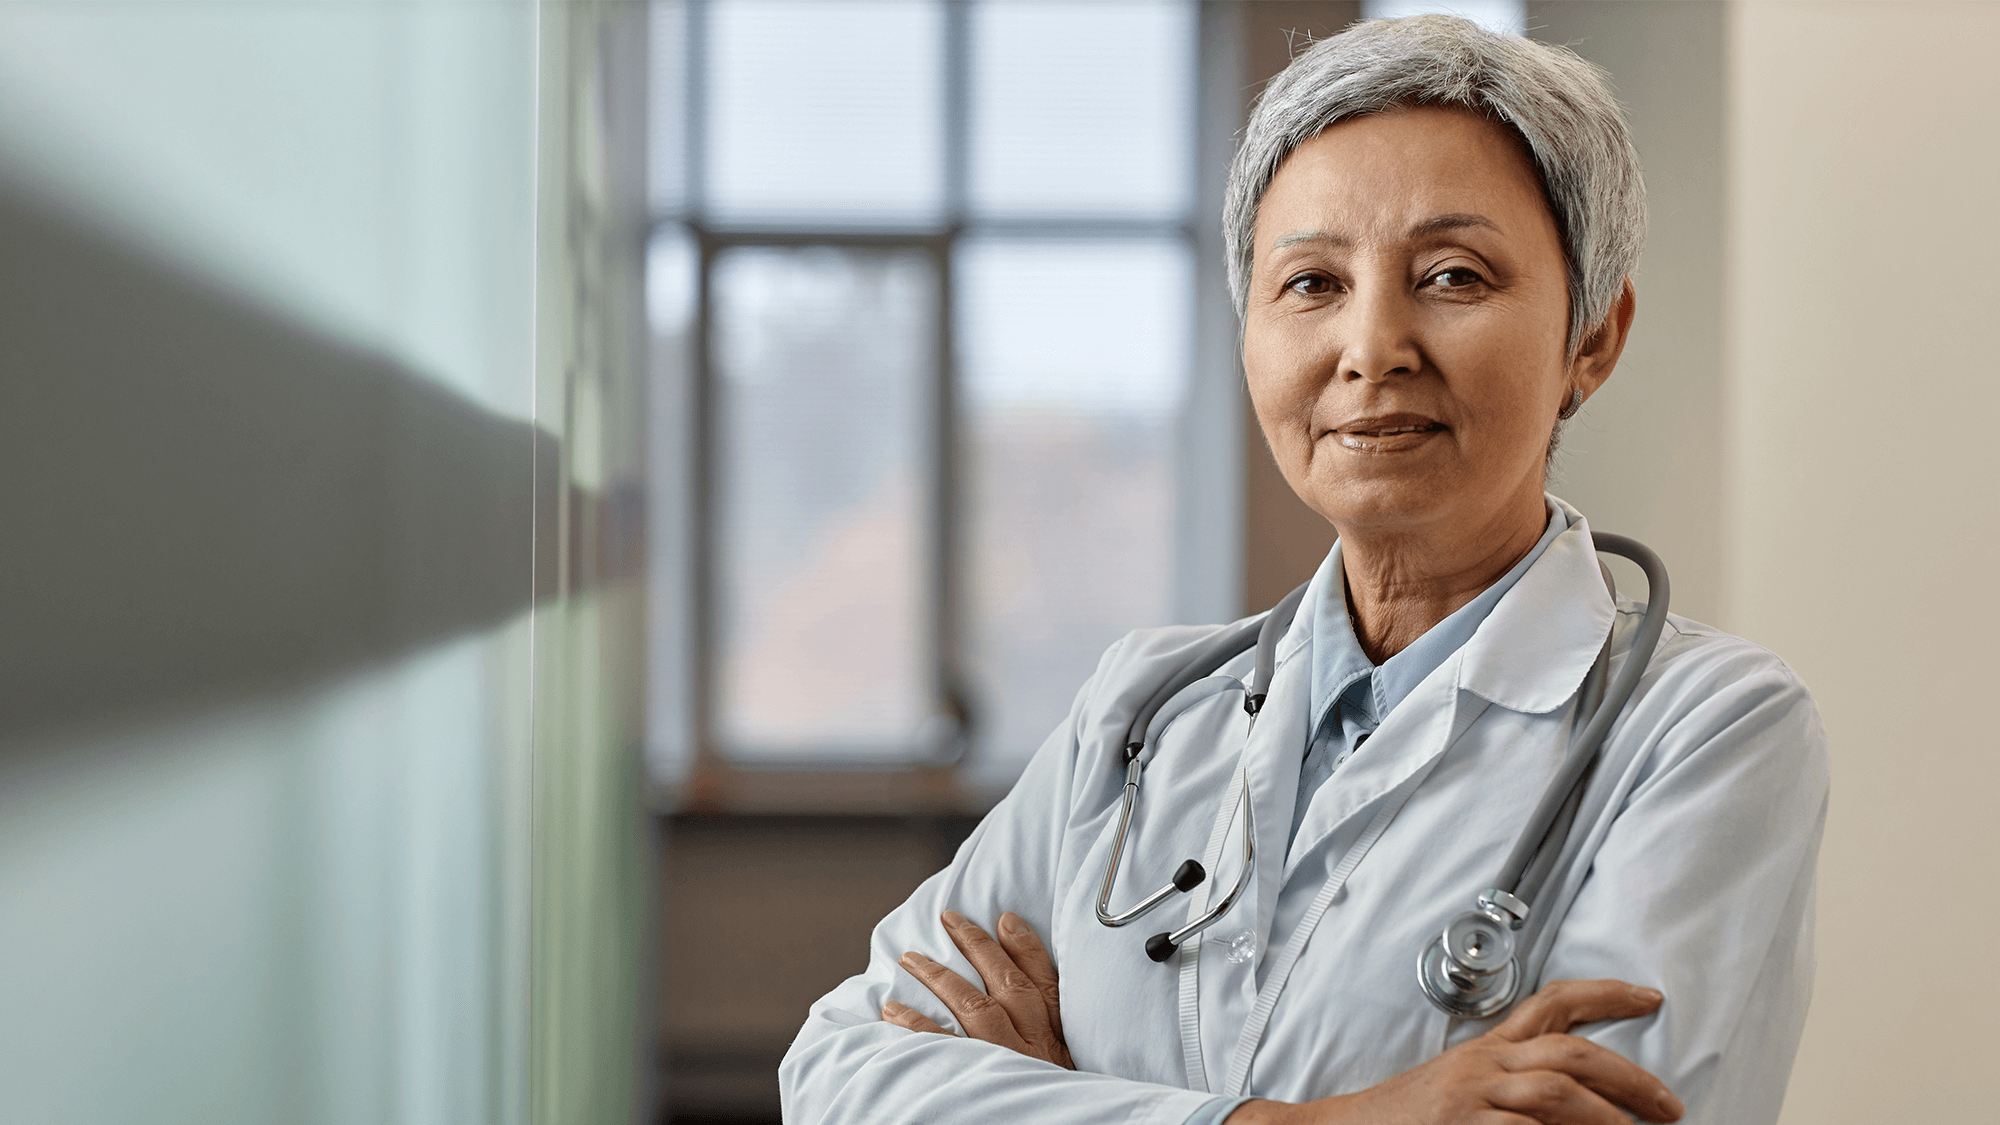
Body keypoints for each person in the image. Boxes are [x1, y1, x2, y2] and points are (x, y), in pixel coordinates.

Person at [779, 16, 1827, 1125]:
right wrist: (1326, 1118)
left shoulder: (1706, 731)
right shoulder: (1139, 713)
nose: (1371, 346)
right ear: (1249, 337)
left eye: (1452, 274)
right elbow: (838, 1075)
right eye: (1312, 284)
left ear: (1591, 337)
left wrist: (1055, 1094)